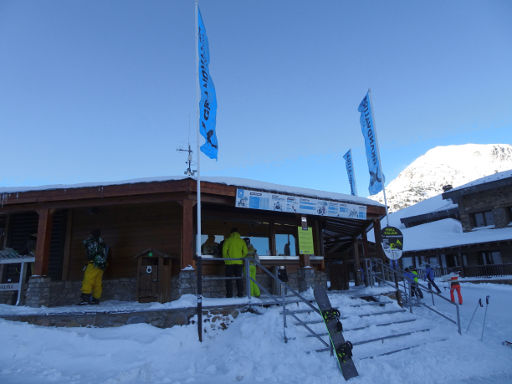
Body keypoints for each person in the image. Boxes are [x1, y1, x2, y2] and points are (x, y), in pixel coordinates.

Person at [80, 229, 109, 305]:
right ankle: (96, 298)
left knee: (88, 279)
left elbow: (90, 251)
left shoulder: (92, 242)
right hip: (102, 265)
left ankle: (85, 298)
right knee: (97, 282)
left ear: (92, 234)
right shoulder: (101, 242)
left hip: (94, 263)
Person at [222, 228, 248, 298]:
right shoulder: (241, 241)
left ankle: (229, 295)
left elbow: (224, 251)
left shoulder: (228, 240)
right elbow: (245, 252)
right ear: (238, 233)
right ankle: (240, 294)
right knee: (239, 279)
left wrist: (226, 260)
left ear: (231, 233)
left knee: (229, 280)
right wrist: (241, 258)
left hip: (229, 263)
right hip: (239, 263)